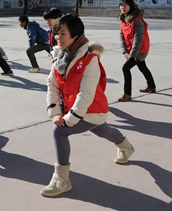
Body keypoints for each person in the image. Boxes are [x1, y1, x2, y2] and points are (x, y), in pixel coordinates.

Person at [41, 15, 134, 197]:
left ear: (75, 35)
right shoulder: (59, 56)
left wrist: (69, 119)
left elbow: (86, 94)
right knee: (103, 130)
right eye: (56, 33)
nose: (58, 37)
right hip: (77, 109)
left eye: (63, 33)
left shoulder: (90, 59)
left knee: (59, 131)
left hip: (91, 108)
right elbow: (52, 85)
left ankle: (62, 181)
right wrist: (55, 113)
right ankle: (126, 146)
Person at [118, 0, 156, 102]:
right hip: (131, 50)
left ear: (131, 6)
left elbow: (139, 37)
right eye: (121, 5)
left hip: (141, 49)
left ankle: (127, 93)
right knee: (142, 66)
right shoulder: (123, 19)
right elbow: (122, 36)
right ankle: (151, 86)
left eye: (125, 5)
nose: (123, 7)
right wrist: (125, 51)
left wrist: (133, 54)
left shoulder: (137, 20)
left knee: (125, 68)